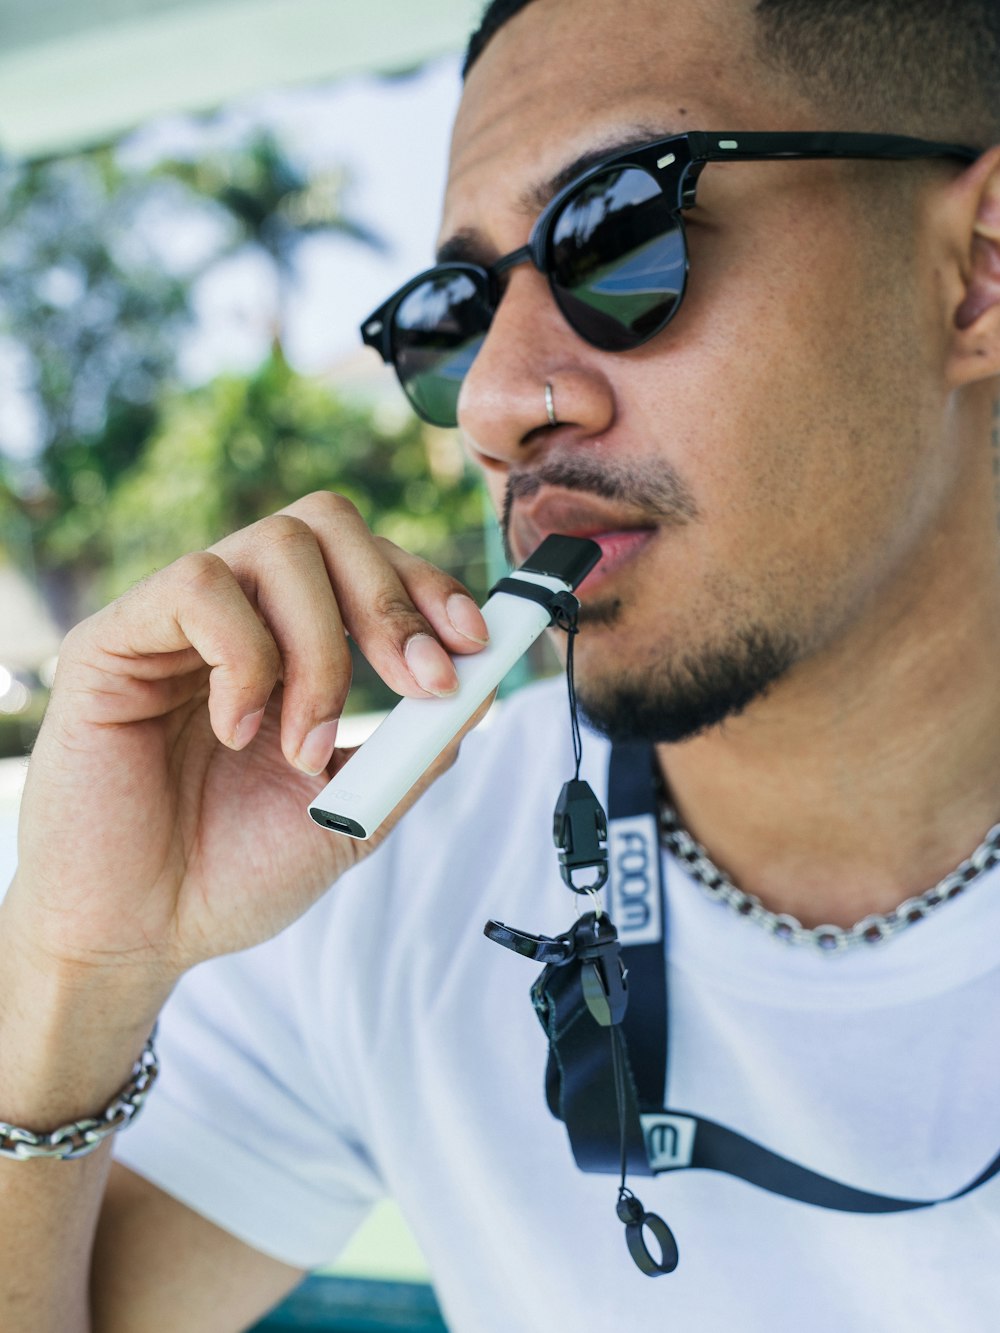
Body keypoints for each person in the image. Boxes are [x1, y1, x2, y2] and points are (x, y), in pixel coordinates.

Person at [3, 0, 1000, 1326]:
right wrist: (75, 966)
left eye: (621, 235)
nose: (492, 400)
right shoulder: (391, 867)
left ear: (975, 268)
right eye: (452, 314)